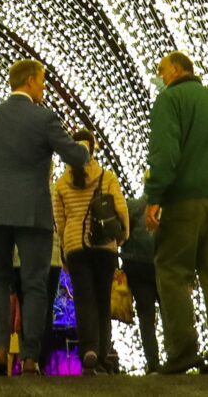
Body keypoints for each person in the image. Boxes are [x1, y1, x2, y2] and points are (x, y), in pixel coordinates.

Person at [0, 59, 88, 375]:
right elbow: (75, 155)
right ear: (32, 81)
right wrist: (84, 151)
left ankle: (1, 352)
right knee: (34, 283)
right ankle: (32, 357)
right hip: (33, 212)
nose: (44, 88)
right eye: (43, 82)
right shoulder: (44, 117)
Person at [143, 51, 208, 375]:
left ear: (177, 70)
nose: (159, 77)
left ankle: (183, 351)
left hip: (186, 200)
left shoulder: (171, 101)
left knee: (172, 272)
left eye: (161, 70)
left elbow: (165, 151)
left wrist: (155, 196)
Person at [51, 127, 130, 373]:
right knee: (103, 300)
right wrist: (122, 236)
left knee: (84, 300)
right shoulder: (106, 177)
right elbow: (121, 209)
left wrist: (65, 246)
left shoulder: (62, 183)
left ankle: (89, 350)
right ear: (93, 150)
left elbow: (59, 219)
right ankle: (105, 353)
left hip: (76, 247)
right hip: (104, 245)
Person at [120, 185, 162, 370]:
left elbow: (122, 234)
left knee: (146, 315)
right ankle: (176, 357)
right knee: (170, 313)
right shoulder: (166, 206)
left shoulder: (131, 206)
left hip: (136, 266)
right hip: (161, 265)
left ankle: (153, 363)